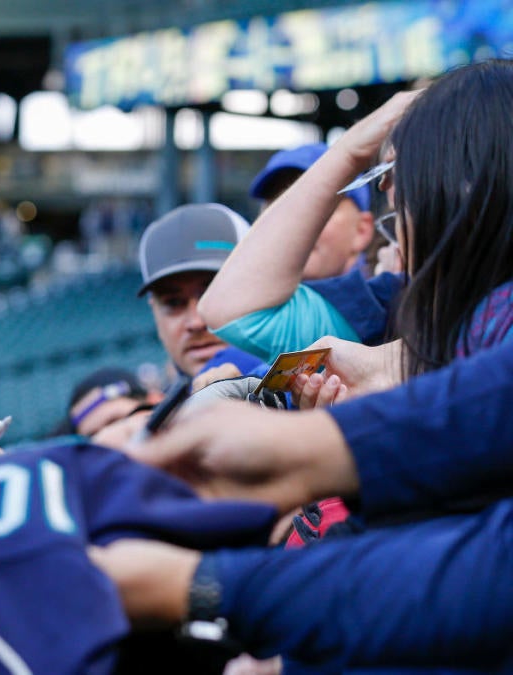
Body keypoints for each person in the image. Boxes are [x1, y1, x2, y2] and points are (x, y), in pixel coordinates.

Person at [90, 60, 513, 670]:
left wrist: (313, 452)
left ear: (463, 187)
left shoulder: (471, 315)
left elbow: (473, 570)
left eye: (404, 180)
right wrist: (349, 150)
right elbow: (230, 309)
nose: (395, 197)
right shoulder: (417, 308)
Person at [198, 101, 415, 364]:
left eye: (322, 207)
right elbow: (226, 307)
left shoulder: (387, 299)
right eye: (279, 206)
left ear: (362, 229)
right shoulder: (232, 355)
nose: (301, 221)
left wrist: (349, 154)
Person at [136, 204, 260, 379]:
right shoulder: (163, 404)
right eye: (174, 303)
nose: (196, 323)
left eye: (215, 295)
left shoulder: (305, 393)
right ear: (154, 312)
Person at [247, 143, 376, 281]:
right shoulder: (239, 295)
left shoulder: (392, 298)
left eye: (317, 206)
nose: (293, 222)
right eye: (278, 206)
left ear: (362, 230)